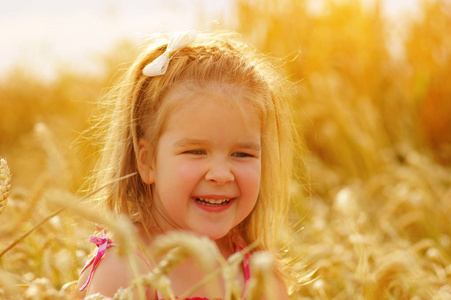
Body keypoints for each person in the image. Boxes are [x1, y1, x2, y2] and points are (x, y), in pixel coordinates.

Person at [75, 30, 298, 299]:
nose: (220, 174)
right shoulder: (125, 271)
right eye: (196, 151)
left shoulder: (261, 275)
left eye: (242, 154)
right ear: (147, 161)